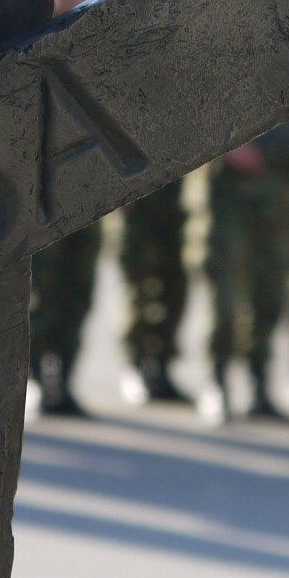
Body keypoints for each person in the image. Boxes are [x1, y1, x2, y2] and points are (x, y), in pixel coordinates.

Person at [31, 0, 104, 416]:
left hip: (87, 192)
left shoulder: (94, 42)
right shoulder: (30, 45)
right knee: (41, 294)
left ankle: (66, 380)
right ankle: (35, 380)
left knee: (79, 291)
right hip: (40, 197)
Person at [207, 113, 289, 419]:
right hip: (230, 211)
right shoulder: (218, 75)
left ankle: (260, 386)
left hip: (279, 213)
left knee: (272, 300)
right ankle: (218, 382)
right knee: (228, 301)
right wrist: (224, 147)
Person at [119, 169, 190, 405]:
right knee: (139, 287)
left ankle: (161, 366)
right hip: (138, 191)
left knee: (175, 287)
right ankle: (135, 363)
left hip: (175, 193)